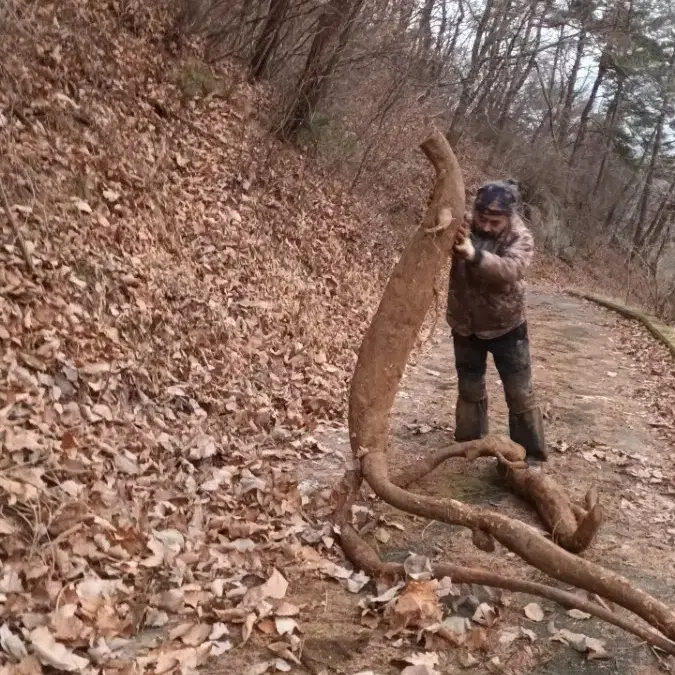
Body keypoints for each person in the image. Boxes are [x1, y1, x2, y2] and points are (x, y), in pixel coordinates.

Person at [446, 179, 547, 462]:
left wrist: (473, 254)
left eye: (494, 221)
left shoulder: (520, 237)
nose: (487, 226)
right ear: (474, 211)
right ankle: (469, 444)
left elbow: (510, 270)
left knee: (519, 393)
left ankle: (531, 455)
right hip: (465, 324)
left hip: (507, 326)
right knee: (469, 387)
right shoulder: (463, 223)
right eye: (482, 218)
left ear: (509, 217)